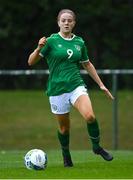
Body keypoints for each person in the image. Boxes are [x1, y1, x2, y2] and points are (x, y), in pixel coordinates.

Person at [28, 9, 114, 167]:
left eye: (69, 20)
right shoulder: (51, 41)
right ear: (58, 23)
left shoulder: (79, 42)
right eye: (63, 20)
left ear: (74, 23)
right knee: (64, 129)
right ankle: (66, 154)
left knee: (90, 116)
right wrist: (38, 48)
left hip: (76, 85)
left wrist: (101, 85)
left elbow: (87, 64)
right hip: (56, 89)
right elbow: (31, 62)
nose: (66, 23)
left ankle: (96, 147)